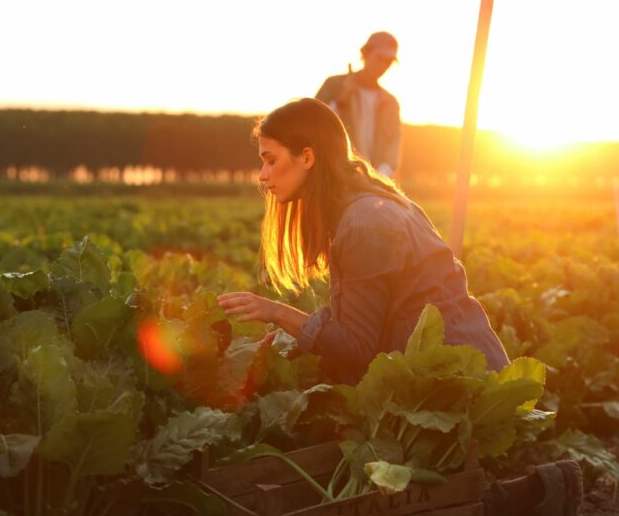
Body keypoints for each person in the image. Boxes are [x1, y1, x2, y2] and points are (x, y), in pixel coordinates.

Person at [217, 98, 583, 516]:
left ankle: (532, 493)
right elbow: (358, 335)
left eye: (269, 160)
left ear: (307, 156)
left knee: (400, 495)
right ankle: (535, 490)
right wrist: (292, 340)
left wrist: (277, 313)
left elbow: (355, 347)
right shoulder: (364, 208)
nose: (262, 176)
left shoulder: (365, 224)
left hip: (452, 387)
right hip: (437, 379)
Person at [315, 31, 401, 178]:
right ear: (366, 53)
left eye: (388, 61)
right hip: (334, 177)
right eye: (379, 58)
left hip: (371, 183)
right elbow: (313, 126)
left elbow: (394, 146)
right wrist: (341, 101)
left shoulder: (390, 103)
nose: (383, 65)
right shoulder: (334, 85)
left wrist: (379, 177)